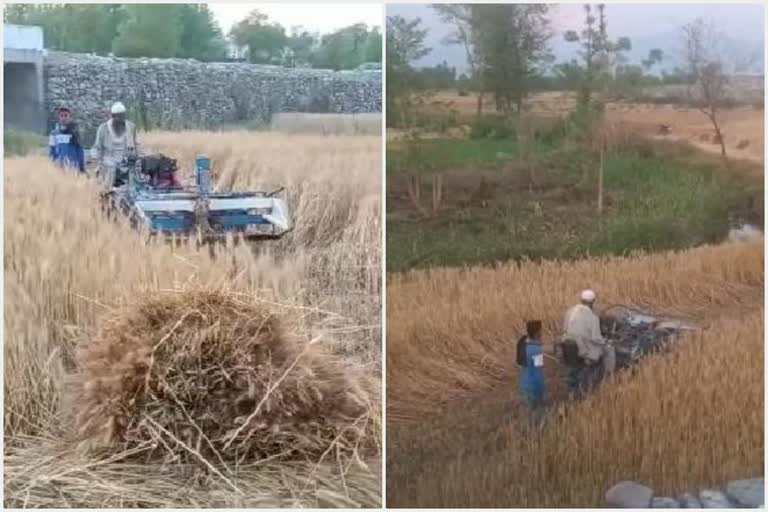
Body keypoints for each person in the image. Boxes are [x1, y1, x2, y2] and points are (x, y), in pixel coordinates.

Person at [562, 289, 616, 394]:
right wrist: (606, 341)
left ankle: (572, 384)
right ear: (592, 302)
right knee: (609, 349)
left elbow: (565, 328)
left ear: (581, 300)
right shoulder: (593, 317)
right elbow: (596, 338)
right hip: (583, 350)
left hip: (568, 346)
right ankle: (608, 377)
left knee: (574, 365)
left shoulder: (570, 311)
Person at [92, 102, 140, 189]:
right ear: (113, 116)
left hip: (126, 164)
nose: (122, 119)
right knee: (108, 190)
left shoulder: (131, 127)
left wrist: (139, 157)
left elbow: (137, 145)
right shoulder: (103, 129)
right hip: (109, 164)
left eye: (123, 115)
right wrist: (97, 161)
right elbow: (97, 147)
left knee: (129, 190)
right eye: (119, 116)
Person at [519, 320, 545, 422]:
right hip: (533, 387)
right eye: (541, 330)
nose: (542, 333)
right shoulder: (536, 350)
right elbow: (538, 372)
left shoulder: (524, 345)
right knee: (537, 417)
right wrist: (541, 390)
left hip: (524, 384)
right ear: (537, 333)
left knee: (528, 415)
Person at [48, 107, 85, 173]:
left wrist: (81, 167)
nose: (63, 118)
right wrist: (52, 164)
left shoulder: (75, 133)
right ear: (58, 117)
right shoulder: (54, 134)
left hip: (73, 167)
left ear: (70, 117)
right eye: (61, 116)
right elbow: (52, 151)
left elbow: (80, 150)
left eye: (66, 115)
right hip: (59, 167)